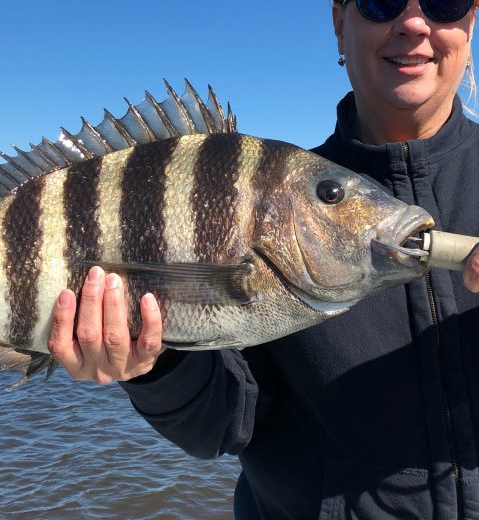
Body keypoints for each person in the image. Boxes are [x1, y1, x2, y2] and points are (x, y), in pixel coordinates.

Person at [48, 0, 479, 517]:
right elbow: (224, 424)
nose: (412, 23)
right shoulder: (268, 191)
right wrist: (150, 364)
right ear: (340, 22)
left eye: (445, 2)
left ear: (470, 21)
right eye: (380, 1)